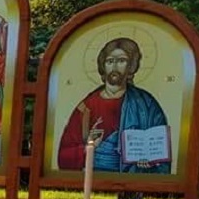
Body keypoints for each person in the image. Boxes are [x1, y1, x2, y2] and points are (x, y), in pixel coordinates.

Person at [57, 37, 170, 173]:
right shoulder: (87, 107)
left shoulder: (146, 104)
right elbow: (64, 156)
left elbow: (160, 151)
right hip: (95, 177)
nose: (114, 67)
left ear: (131, 66)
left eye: (121, 61)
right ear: (103, 66)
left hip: (132, 180)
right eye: (110, 61)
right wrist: (88, 148)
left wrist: (149, 161)